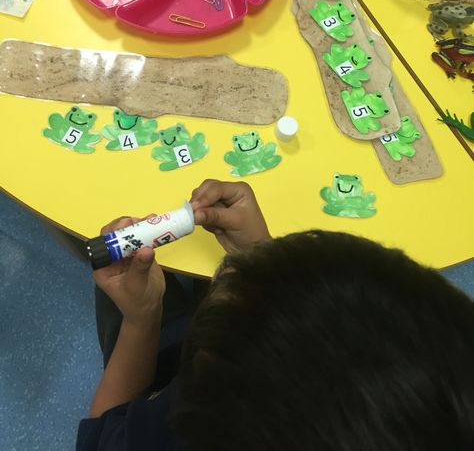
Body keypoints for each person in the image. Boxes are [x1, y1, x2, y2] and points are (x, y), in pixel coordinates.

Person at [77, 179, 474, 451]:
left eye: (229, 285)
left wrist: (141, 316)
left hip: (154, 360)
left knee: (114, 292)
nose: (224, 271)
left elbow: (103, 432)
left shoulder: (177, 431)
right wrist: (263, 257)